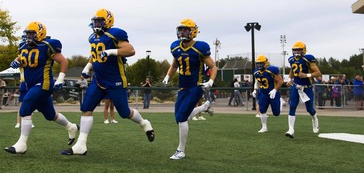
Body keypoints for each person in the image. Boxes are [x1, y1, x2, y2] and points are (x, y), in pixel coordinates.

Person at [61, 9, 154, 156]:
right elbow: (94, 56)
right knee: (86, 108)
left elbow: (130, 50)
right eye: (95, 21)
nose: (97, 24)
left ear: (108, 21)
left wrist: (111, 51)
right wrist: (87, 67)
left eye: (100, 21)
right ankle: (81, 145)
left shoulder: (115, 33)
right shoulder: (93, 37)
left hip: (115, 80)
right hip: (98, 79)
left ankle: (144, 123)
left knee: (124, 112)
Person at [4, 22, 79, 154]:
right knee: (50, 114)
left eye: (32, 34)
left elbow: (63, 61)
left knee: (25, 107)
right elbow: (22, 56)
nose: (29, 36)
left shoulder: (47, 46)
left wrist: (60, 79)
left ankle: (22, 144)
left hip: (43, 84)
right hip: (30, 85)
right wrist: (17, 60)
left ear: (40, 34)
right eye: (28, 34)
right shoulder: (23, 46)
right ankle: (71, 126)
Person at [162, 18, 216, 160]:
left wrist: (211, 81)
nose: (182, 32)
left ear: (193, 31)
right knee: (179, 118)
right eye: (181, 29)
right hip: (182, 87)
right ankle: (205, 107)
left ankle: (181, 150)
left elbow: (213, 66)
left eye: (186, 29)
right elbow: (174, 65)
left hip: (195, 86)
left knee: (182, 118)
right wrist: (168, 76)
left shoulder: (200, 47)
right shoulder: (175, 47)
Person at [285, 41, 321, 138]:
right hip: (296, 87)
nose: (296, 51)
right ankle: (291, 129)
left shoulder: (308, 59)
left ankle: (315, 119)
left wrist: (306, 75)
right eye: (295, 49)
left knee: (309, 109)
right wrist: (289, 79)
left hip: (307, 88)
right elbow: (292, 70)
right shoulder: (291, 59)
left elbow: (318, 73)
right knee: (292, 106)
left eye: (299, 49)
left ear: (303, 50)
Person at [252, 55, 283, 133]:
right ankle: (264, 127)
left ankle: (281, 102)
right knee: (262, 110)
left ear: (265, 63)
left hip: (273, 94)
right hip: (263, 93)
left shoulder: (271, 70)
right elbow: (257, 81)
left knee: (276, 113)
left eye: (261, 63)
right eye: (258, 64)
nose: (259, 65)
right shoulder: (256, 72)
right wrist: (255, 90)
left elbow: (280, 81)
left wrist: (275, 90)